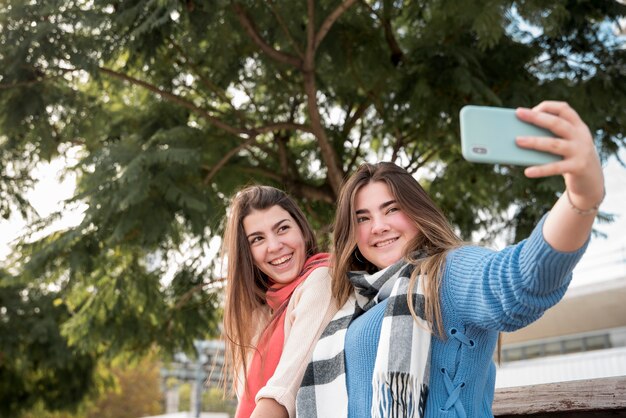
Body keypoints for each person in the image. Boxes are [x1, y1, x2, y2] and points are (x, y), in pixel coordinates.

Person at [296, 101, 605, 417]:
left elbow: (520, 280)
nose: (378, 227)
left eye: (391, 209)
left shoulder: (447, 271)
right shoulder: (355, 304)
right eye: (362, 218)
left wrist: (581, 198)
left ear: (418, 213)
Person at [222, 185, 337, 418]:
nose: (274, 246)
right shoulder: (260, 317)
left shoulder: (321, 280)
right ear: (248, 255)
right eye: (257, 239)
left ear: (303, 230)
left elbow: (282, 393)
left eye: (283, 228)